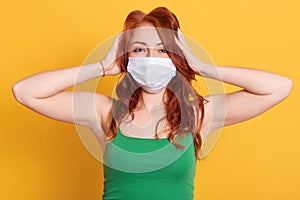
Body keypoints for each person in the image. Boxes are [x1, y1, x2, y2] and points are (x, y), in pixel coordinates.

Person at [12, 7, 292, 200]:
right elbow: (25, 91)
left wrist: (203, 67)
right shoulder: (104, 112)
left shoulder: (198, 112)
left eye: (162, 49)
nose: (151, 58)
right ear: (127, 58)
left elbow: (279, 88)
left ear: (176, 56)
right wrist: (101, 66)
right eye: (139, 49)